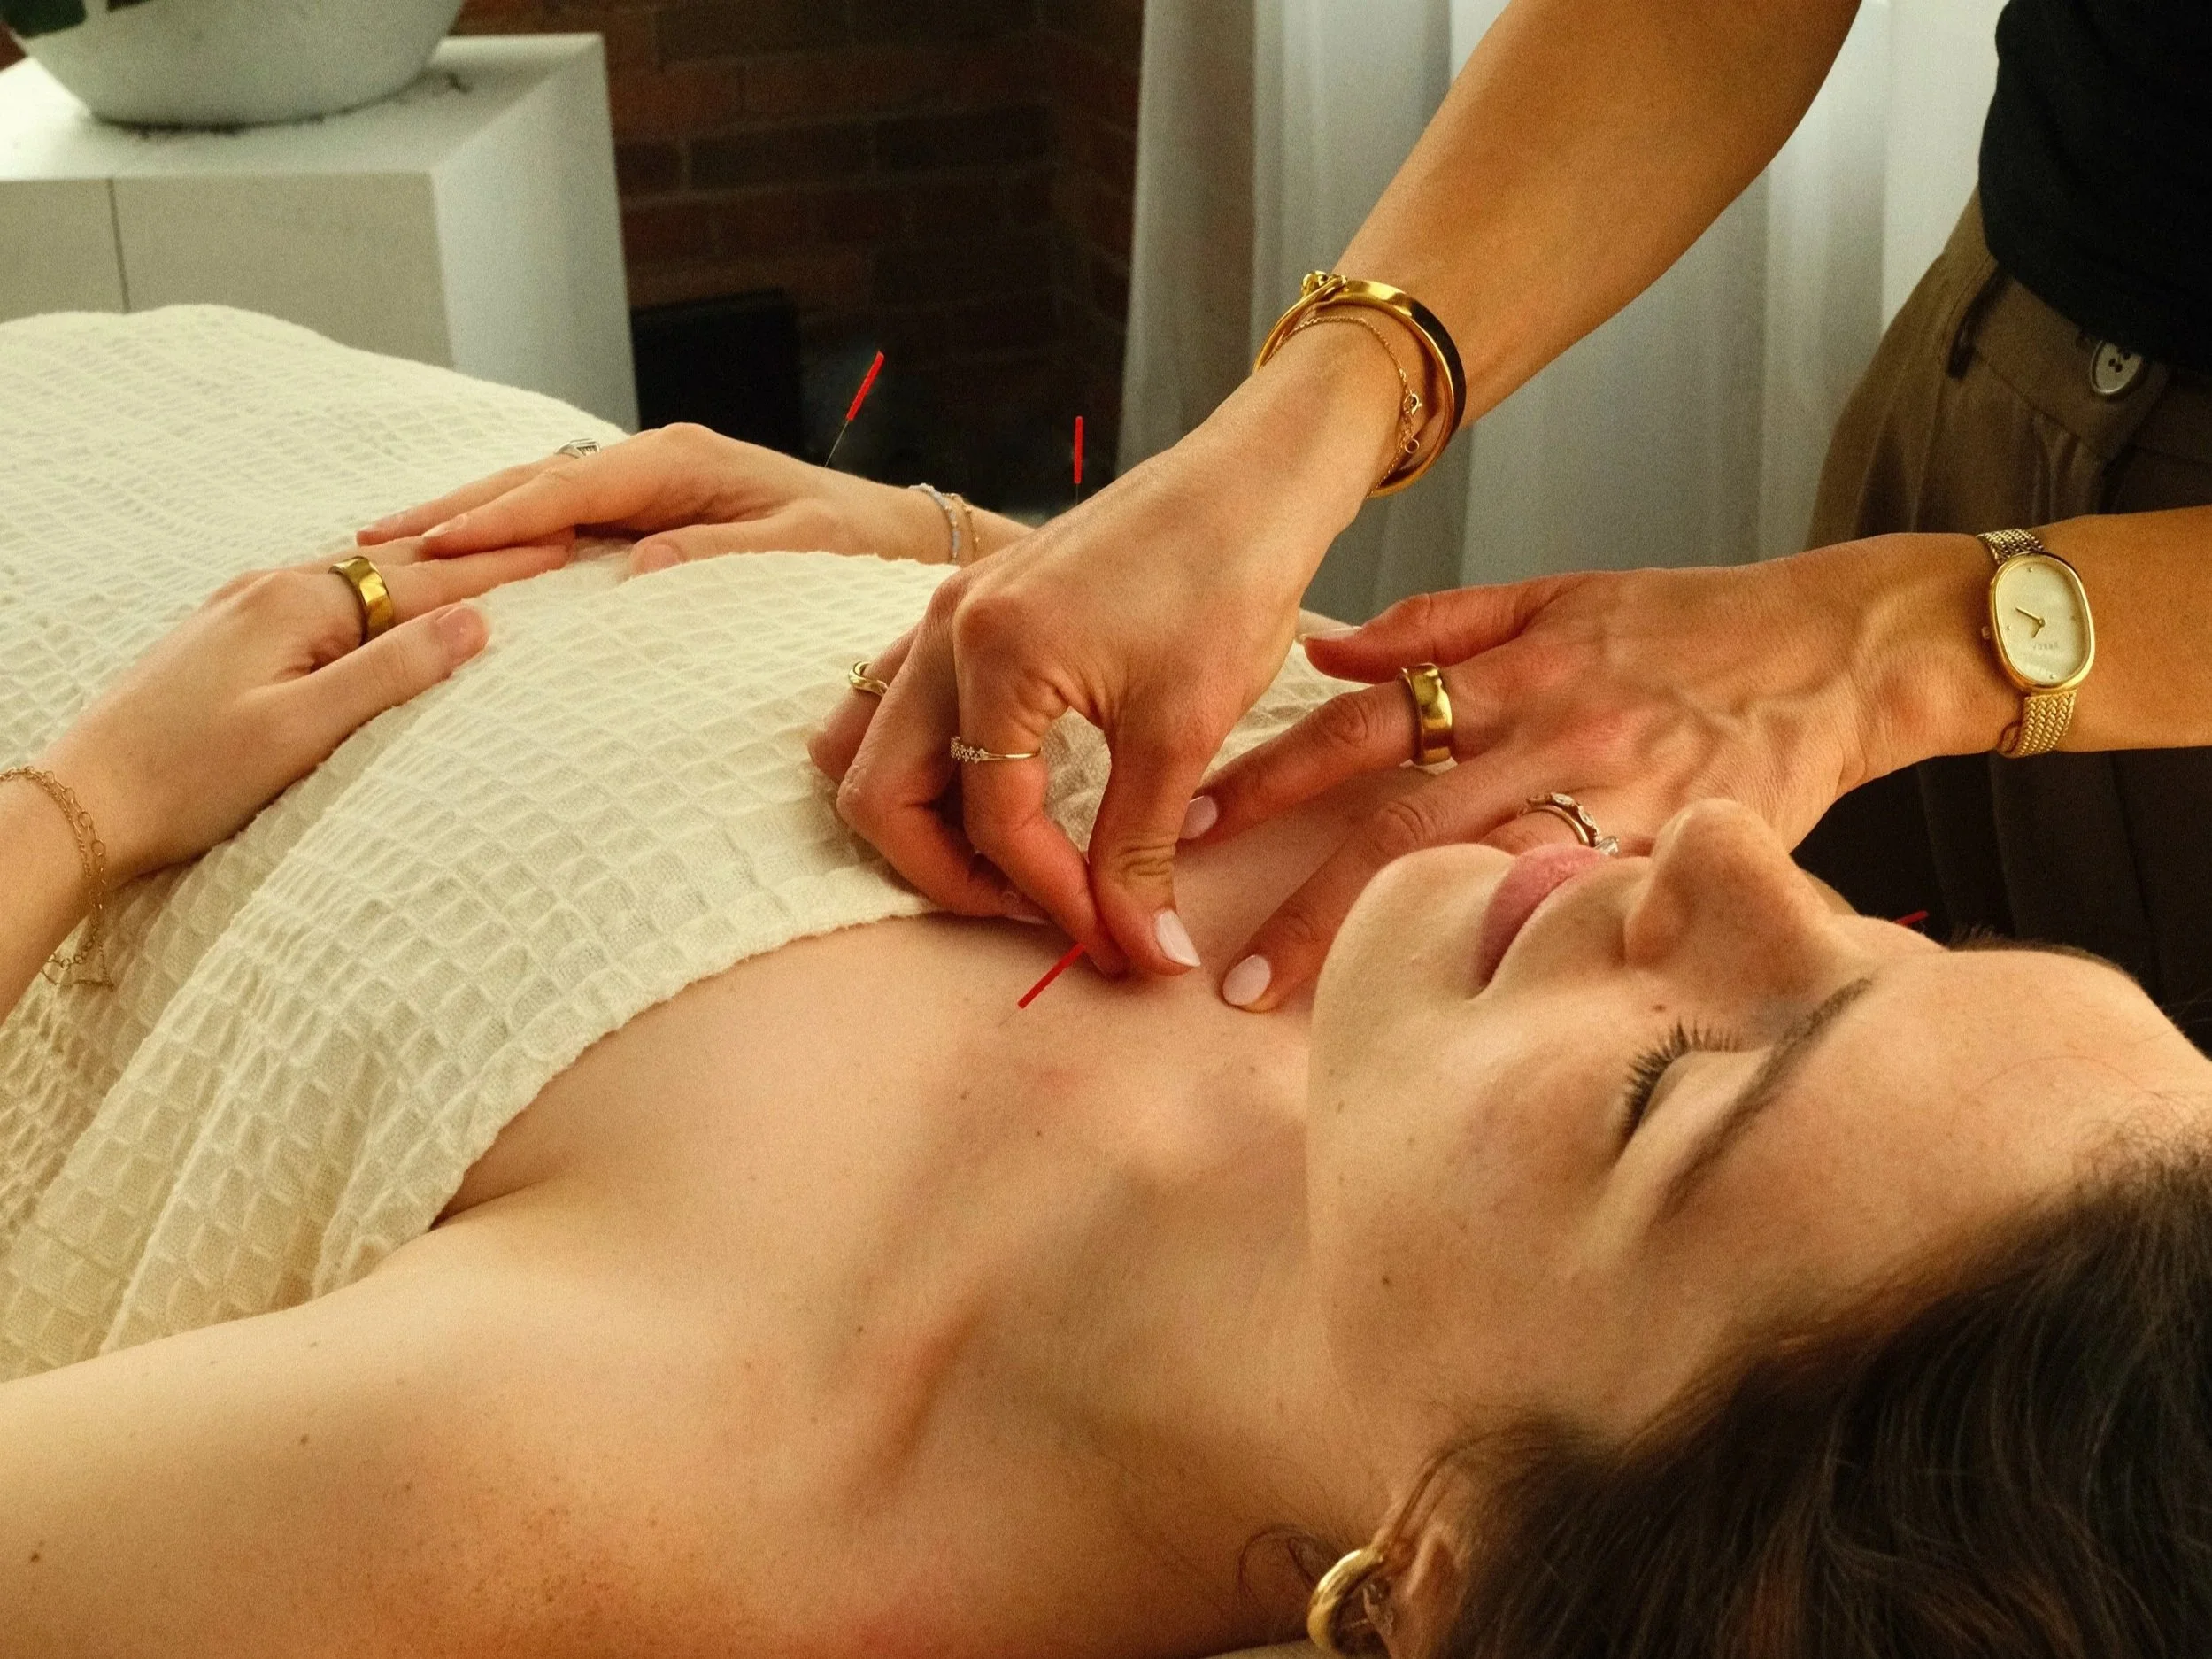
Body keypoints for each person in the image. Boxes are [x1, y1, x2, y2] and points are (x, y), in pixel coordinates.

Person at [11, 474, 2212, 1656]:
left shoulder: (610, 1478)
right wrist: (960, 546)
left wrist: (82, 812)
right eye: (1907, 945)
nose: (1728, 854)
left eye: (1677, 1098)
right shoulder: (1468, 945)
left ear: (1447, 1573)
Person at [381, 0, 2212, 1036]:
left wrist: (1883, 651)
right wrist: (1300, 423)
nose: (1729, 878)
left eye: (1662, 1117)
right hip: (1986, 384)